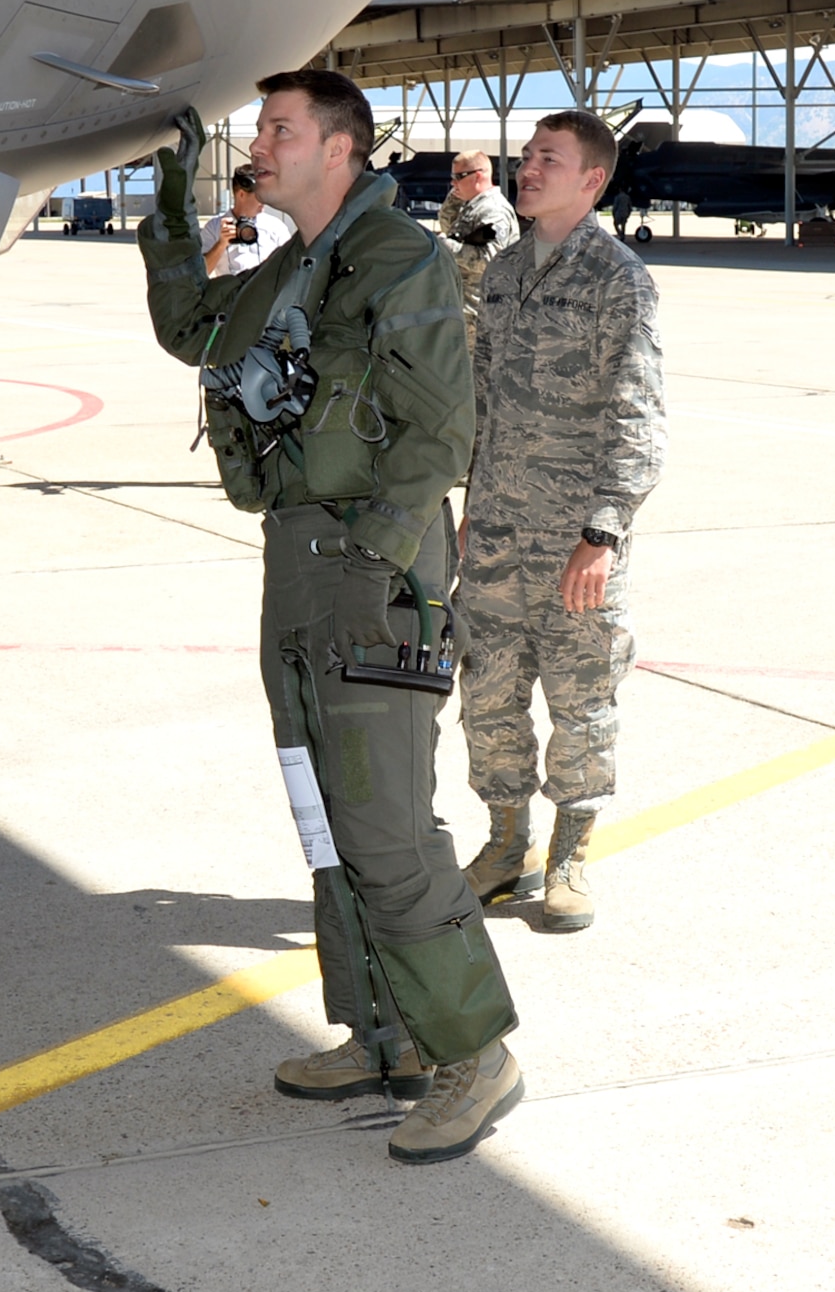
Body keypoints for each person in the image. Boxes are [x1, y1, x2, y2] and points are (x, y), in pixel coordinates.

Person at [138, 73, 522, 1164]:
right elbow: (188, 329)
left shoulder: (397, 257)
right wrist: (171, 214)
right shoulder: (291, 269)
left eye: (279, 127)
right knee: (326, 814)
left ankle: (473, 1051)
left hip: (369, 560)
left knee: (386, 823)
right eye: (260, 125)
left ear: (340, 149)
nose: (259, 139)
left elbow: (444, 430)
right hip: (296, 557)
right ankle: (385, 1031)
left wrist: (379, 559)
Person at [457, 109, 667, 931]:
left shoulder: (619, 279)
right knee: (489, 694)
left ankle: (570, 854)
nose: (527, 168)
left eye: (549, 158)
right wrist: (472, 504)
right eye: (525, 156)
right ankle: (505, 843)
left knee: (580, 703)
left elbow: (638, 416)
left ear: (591, 179)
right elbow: (481, 398)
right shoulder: (503, 272)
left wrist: (603, 533)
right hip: (498, 529)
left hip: (573, 539)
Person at [435, 151, 519, 350]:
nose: (453, 183)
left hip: (481, 312)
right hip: (467, 307)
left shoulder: (493, 210)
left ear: (478, 176)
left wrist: (445, 246)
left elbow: (489, 259)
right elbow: (448, 225)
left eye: (458, 177)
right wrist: (455, 196)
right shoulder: (474, 206)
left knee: (476, 375)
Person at [200, 166, 291, 277]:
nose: (264, 200)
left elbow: (291, 267)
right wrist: (221, 244)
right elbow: (201, 274)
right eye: (259, 195)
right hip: (232, 293)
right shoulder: (214, 227)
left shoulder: (275, 227)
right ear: (241, 194)